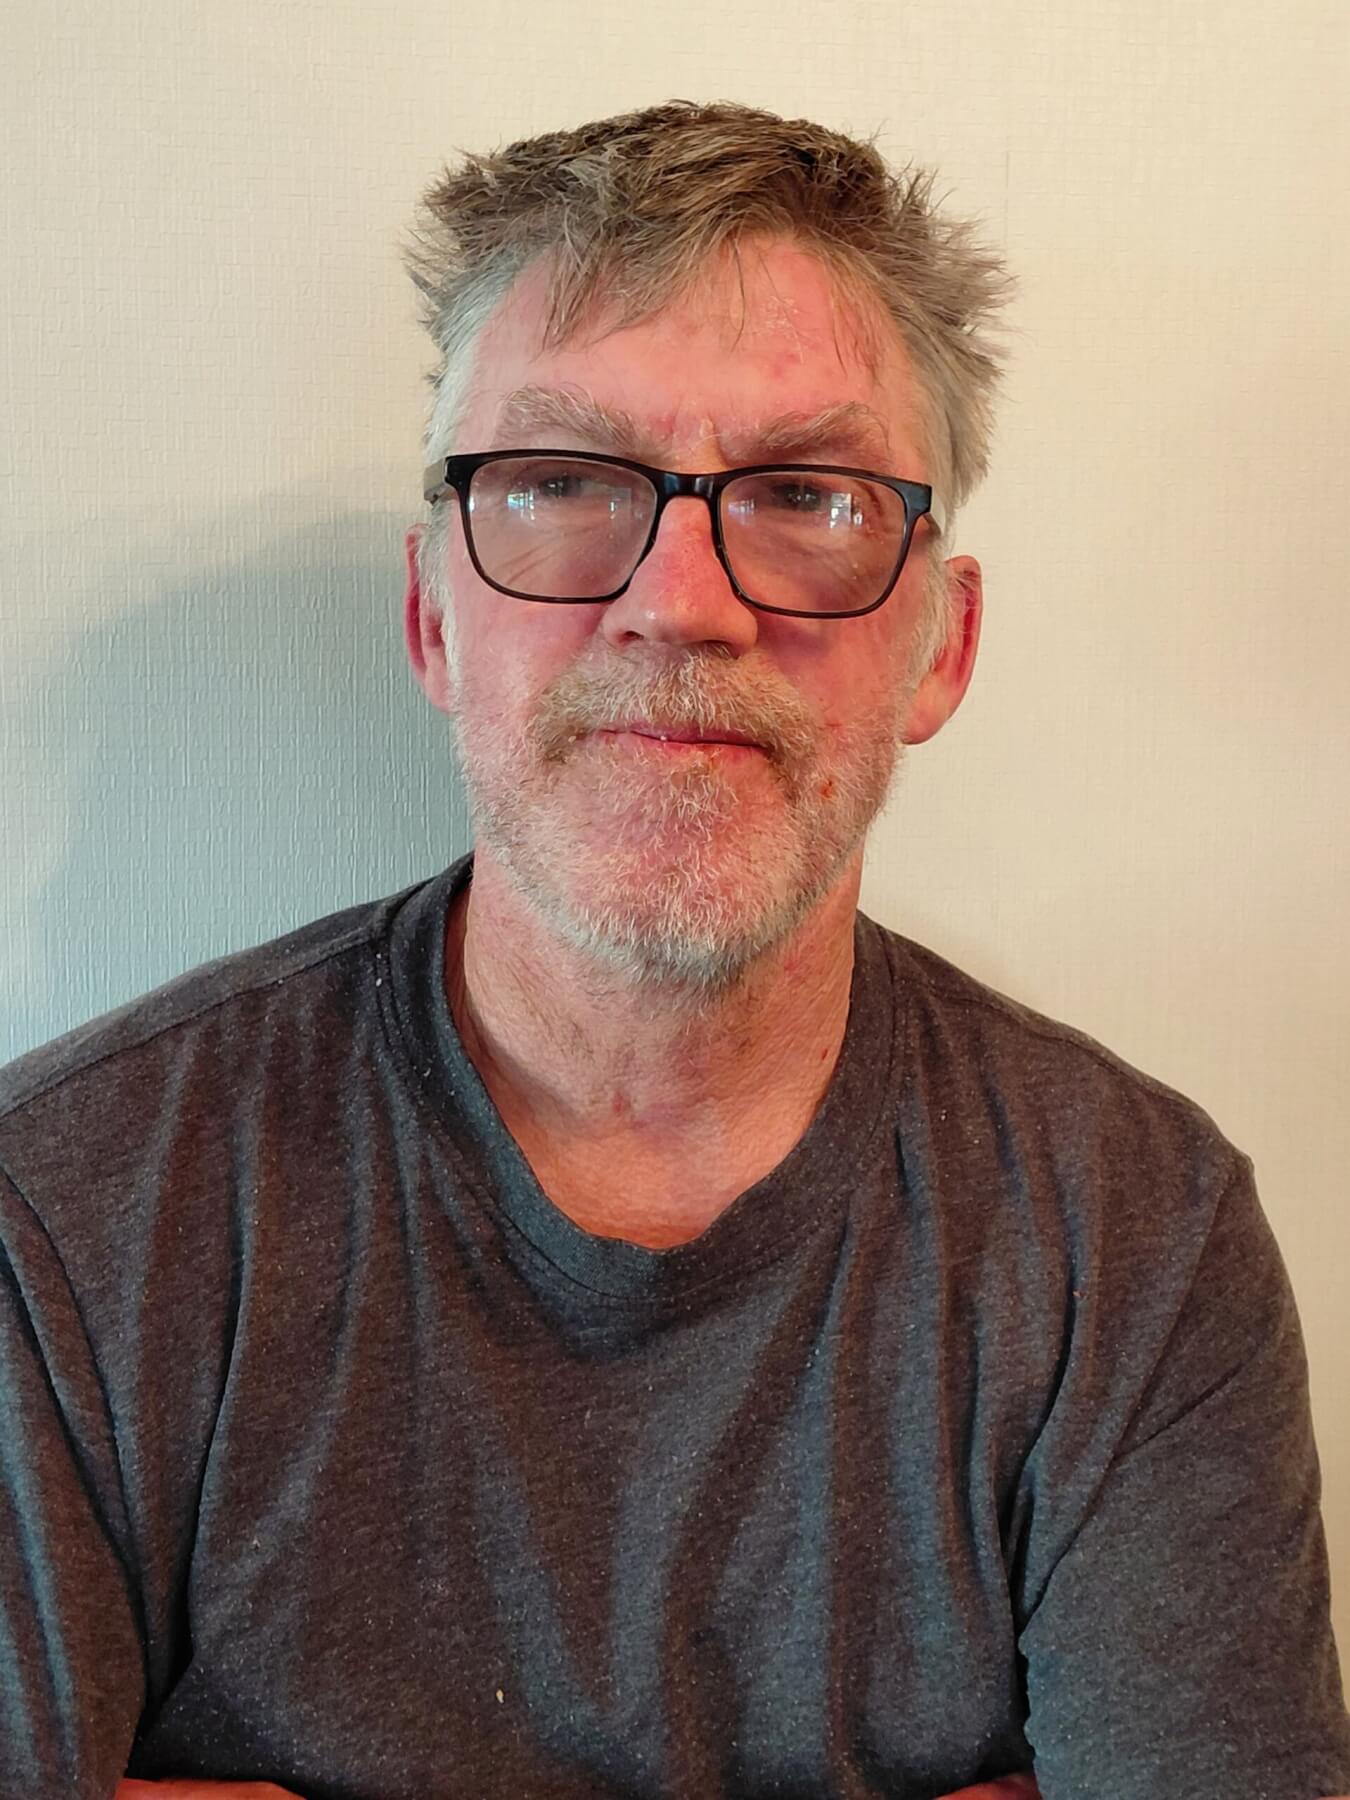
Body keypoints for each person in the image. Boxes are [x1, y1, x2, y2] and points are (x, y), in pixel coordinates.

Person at [0, 99, 1346, 1800]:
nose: (683, 603)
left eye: (807, 495)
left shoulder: (1131, 1238)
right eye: (562, 483)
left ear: (941, 646)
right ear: (431, 615)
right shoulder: (65, 1218)